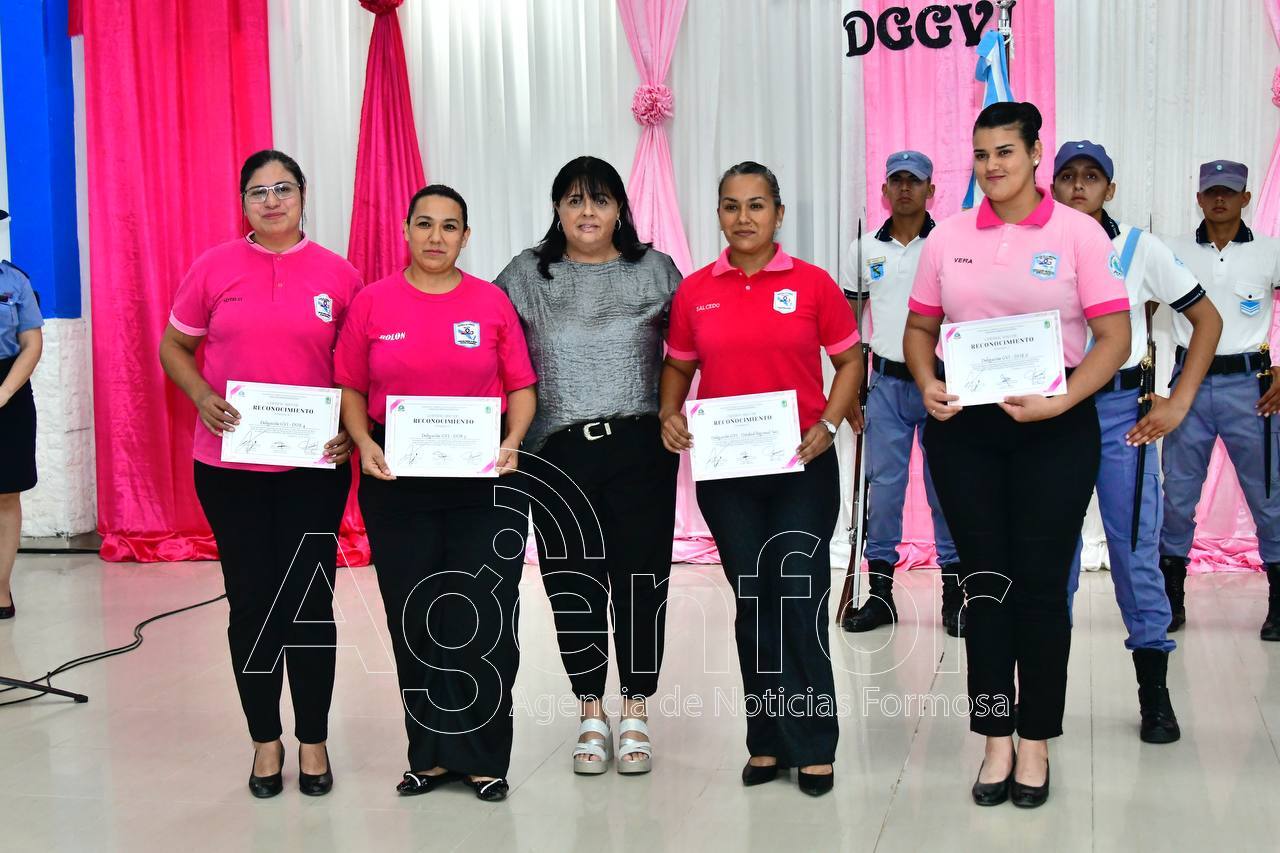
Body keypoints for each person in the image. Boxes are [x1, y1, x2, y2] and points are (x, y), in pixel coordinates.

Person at [904, 103, 1131, 808]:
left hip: (1055, 429)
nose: (992, 165)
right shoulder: (947, 237)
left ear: (1036, 155)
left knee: (1039, 585)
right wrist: (927, 381)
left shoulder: (1079, 233)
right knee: (986, 585)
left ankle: (1035, 738)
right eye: (981, 154)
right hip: (965, 431)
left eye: (1006, 151)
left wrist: (1063, 401)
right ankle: (995, 736)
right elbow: (919, 328)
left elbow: (1115, 339)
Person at [159, 150, 361, 798]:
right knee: (251, 603)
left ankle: (314, 740)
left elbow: (357, 371)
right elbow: (173, 346)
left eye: (283, 189)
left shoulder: (340, 275)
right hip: (229, 468)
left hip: (314, 468)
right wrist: (200, 394)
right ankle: (265, 741)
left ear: (303, 195)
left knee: (310, 603)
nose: (271, 201)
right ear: (243, 202)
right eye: (257, 192)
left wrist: (352, 429)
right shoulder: (212, 268)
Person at [660, 161, 864, 798]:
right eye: (731, 205)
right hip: (728, 476)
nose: (743, 217)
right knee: (755, 601)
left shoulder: (813, 284)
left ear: (778, 214)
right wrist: (669, 412)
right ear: (718, 214)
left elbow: (850, 361)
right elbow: (679, 368)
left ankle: (815, 743)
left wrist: (829, 423)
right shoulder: (695, 292)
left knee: (798, 596)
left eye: (756, 205)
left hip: (802, 464)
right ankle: (767, 739)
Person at [335, 184, 537, 802]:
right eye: (424, 224)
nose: (435, 237)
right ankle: (428, 756)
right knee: (415, 617)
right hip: (398, 483)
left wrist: (513, 441)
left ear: (466, 237)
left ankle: (484, 758)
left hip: (484, 482)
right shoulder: (372, 303)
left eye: (450, 226)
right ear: (406, 230)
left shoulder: (491, 303)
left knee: (482, 617)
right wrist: (362, 442)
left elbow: (521, 387)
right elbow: (350, 386)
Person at [494, 156, 681, 775]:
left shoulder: (654, 270)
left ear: (620, 208)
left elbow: (694, 347)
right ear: (557, 208)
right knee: (572, 585)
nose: (587, 212)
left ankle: (636, 709)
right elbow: (478, 338)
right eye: (573, 200)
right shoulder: (527, 274)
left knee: (640, 580)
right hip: (556, 457)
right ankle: (590, 712)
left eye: (600, 200)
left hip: (640, 450)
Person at [1052, 140, 1222, 743]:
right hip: (1052, 412)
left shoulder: (1135, 248)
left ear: (1110, 188)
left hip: (1122, 414)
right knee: (1052, 557)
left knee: (1132, 552)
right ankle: (1045, 700)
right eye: (1067, 176)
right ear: (1051, 184)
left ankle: (1155, 694)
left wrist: (1178, 401)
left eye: (1091, 176)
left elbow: (1207, 320)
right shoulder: (1035, 245)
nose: (1079, 186)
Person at [841, 150, 964, 637]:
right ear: (885, 189)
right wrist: (850, 387)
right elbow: (848, 327)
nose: (906, 188)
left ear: (931, 189)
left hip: (942, 383)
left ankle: (956, 596)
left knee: (945, 490)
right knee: (884, 491)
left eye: (915, 181)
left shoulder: (950, 243)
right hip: (886, 383)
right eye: (897, 180)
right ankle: (881, 596)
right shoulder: (863, 249)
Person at [1161, 161, 1280, 641]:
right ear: (1198, 197)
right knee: (1177, 496)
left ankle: (1278, 605)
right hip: (1189, 384)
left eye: (1229, 192)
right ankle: (1170, 598)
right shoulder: (1173, 251)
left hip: (1251, 388)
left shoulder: (1270, 251)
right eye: (1211, 191)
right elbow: (1141, 308)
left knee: (1268, 494)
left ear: (1246, 198)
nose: (1219, 200)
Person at [0, 214, 44, 621]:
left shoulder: (15, 282)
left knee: (6, 492)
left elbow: (31, 343)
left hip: (8, 389)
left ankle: (0, 589)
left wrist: (4, 391)